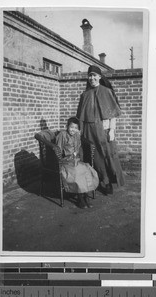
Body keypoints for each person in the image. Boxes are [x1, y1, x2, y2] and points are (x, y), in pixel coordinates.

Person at [76, 65, 125, 195]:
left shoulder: (106, 91)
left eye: (94, 75)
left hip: (103, 130)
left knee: (107, 156)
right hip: (88, 130)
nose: (92, 78)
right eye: (90, 75)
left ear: (99, 76)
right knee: (94, 158)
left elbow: (113, 114)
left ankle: (110, 181)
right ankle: (100, 181)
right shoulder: (84, 95)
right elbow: (81, 116)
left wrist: (112, 130)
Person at [55, 117, 99, 208]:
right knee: (77, 172)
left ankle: (86, 195)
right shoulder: (62, 135)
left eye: (75, 128)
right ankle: (80, 197)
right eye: (71, 127)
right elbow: (57, 150)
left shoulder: (76, 135)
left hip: (76, 160)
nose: (73, 130)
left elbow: (78, 149)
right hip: (66, 162)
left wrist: (78, 158)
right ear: (67, 126)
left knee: (87, 169)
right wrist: (62, 160)